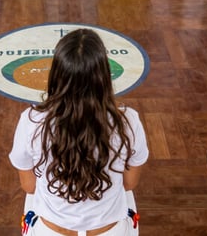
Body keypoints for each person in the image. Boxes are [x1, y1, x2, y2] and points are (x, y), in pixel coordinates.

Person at [9, 29, 148, 235]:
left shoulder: (31, 121)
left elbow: (29, 187)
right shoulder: (129, 121)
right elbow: (129, 184)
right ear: (103, 77)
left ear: (56, 74)